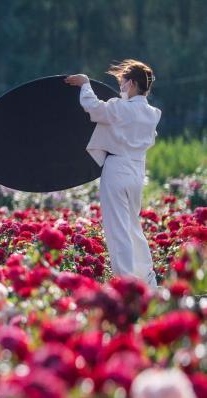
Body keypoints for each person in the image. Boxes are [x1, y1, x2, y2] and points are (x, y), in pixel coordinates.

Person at [65, 59, 161, 288]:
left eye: (122, 82)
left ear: (131, 83)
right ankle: (148, 282)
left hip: (117, 170)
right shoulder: (153, 113)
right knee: (132, 228)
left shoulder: (121, 107)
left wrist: (85, 84)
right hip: (137, 173)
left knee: (118, 231)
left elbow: (94, 107)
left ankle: (126, 286)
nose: (121, 87)